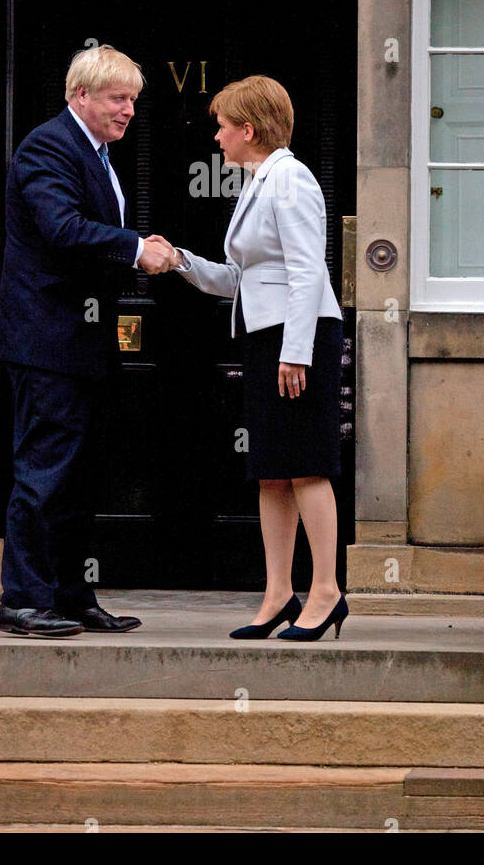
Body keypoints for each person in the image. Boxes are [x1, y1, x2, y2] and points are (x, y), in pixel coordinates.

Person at [147, 75, 348, 642]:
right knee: (271, 472)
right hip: (267, 337)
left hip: (297, 337)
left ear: (249, 129)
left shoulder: (291, 178)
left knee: (307, 465)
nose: (216, 136)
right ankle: (279, 592)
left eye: (222, 126)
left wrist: (296, 353)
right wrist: (181, 260)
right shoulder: (261, 181)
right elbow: (241, 278)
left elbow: (308, 270)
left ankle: (326, 591)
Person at [0, 44, 172, 637]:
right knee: (43, 474)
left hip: (82, 343)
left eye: (133, 100)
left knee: (78, 477)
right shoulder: (47, 147)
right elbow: (62, 229)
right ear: (80, 95)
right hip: (47, 343)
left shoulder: (95, 151)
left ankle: (69, 596)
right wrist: (135, 248)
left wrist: (136, 246)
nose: (128, 111)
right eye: (118, 98)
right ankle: (23, 601)